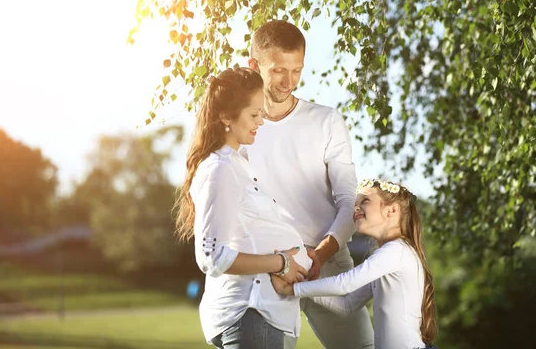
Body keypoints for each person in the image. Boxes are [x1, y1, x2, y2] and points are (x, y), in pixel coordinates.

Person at [247, 20, 374, 348]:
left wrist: (319, 254)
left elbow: (349, 201)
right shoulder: (238, 129)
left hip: (328, 262)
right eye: (278, 70)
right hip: (269, 269)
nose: (288, 82)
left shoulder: (326, 120)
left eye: (296, 70)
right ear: (253, 66)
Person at [174, 66, 313, 349]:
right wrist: (281, 263)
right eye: (253, 114)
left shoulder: (240, 164)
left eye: (261, 112)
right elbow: (212, 257)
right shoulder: (220, 169)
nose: (260, 121)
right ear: (226, 116)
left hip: (263, 315)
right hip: (251, 314)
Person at [272, 179, 439, 349]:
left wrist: (293, 289)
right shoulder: (390, 254)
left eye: (365, 201)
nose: (356, 207)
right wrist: (304, 287)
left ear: (392, 209)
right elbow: (348, 304)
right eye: (355, 203)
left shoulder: (397, 250)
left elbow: (346, 283)